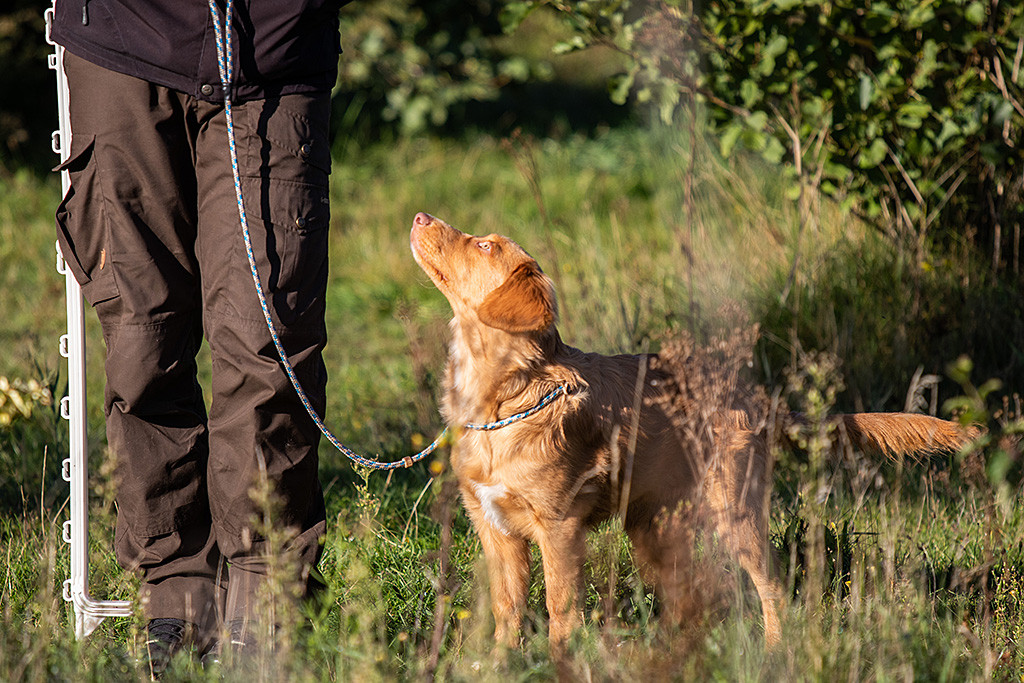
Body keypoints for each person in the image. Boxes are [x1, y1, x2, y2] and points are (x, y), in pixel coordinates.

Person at [50, 0, 345, 673]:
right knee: (140, 339)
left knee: (267, 339)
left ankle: (265, 594)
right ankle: (175, 589)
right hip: (122, 45)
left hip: (273, 51)